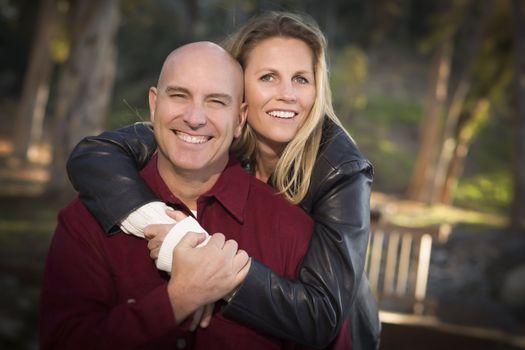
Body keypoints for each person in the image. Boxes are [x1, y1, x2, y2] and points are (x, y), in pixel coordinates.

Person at [67, 11, 381, 349]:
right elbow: (94, 156)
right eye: (269, 77)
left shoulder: (341, 171)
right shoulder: (210, 134)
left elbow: (322, 317)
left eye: (301, 79)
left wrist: (210, 269)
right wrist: (165, 227)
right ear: (238, 88)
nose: (287, 94)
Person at [39, 42, 315, 350]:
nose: (195, 118)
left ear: (239, 119)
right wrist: (179, 299)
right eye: (180, 95)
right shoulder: (86, 222)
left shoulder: (293, 231)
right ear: (154, 104)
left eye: (215, 102)